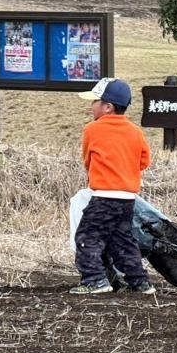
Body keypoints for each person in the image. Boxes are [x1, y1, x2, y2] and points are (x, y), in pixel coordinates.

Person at [70, 78, 155, 295]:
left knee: (87, 237)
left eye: (95, 101)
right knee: (123, 240)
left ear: (108, 107)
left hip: (103, 196)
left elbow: (87, 160)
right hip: (127, 199)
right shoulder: (135, 131)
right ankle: (140, 282)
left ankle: (95, 280)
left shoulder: (92, 129)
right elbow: (144, 161)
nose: (91, 106)